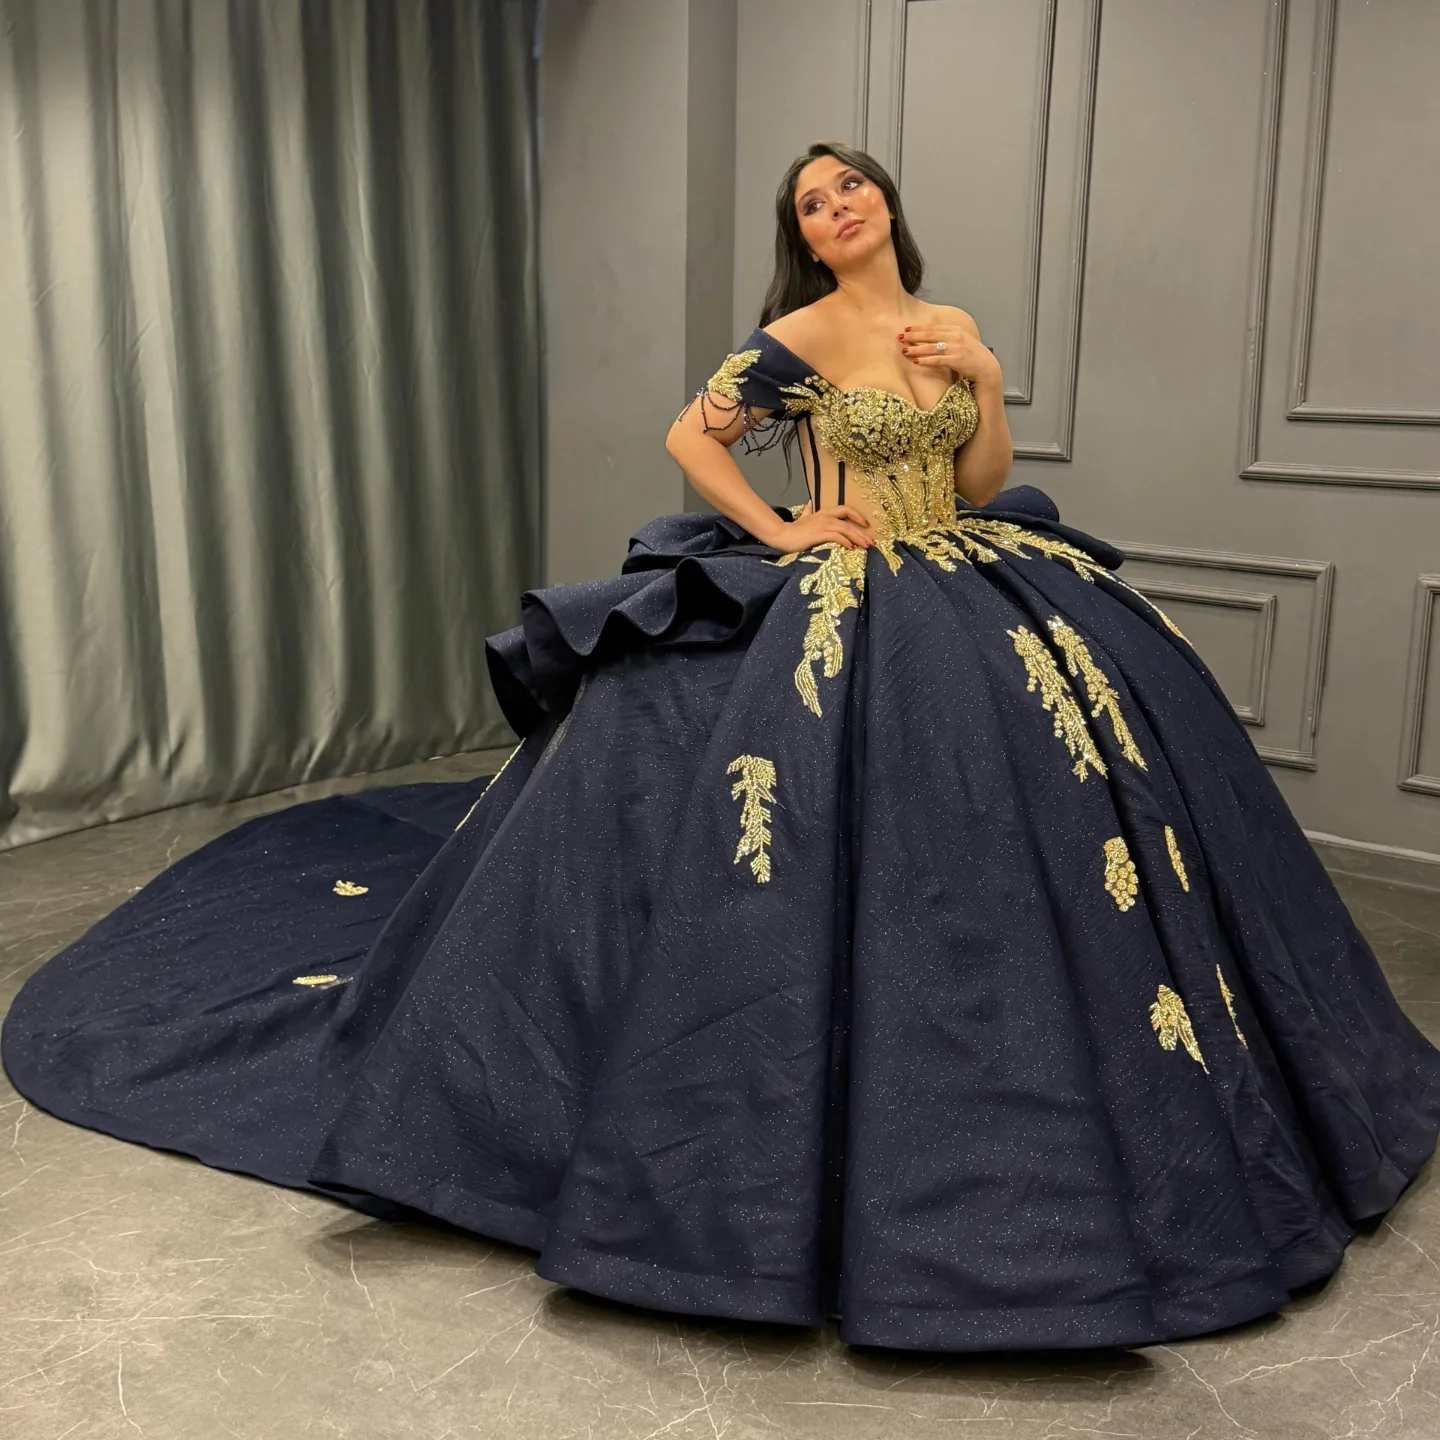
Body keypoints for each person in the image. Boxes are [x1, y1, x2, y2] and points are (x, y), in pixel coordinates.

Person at [6, 141, 1440, 1354]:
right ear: (801, 239)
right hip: (850, 580)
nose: (837, 208)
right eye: (812, 202)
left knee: (1029, 814)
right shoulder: (801, 338)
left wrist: (988, 379)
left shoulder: (948, 323)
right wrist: (781, 528)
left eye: (851, 187)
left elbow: (979, 478)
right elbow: (691, 439)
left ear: (886, 203)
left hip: (969, 567)